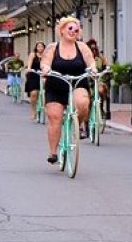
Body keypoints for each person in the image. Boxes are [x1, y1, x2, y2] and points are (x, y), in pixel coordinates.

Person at [40, 17, 96, 164]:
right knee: (54, 117)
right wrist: (46, 69)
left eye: (76, 30)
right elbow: (45, 62)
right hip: (56, 85)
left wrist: (93, 70)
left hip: (78, 83)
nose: (73, 32)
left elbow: (91, 62)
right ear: (62, 30)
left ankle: (77, 124)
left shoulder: (82, 47)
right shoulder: (53, 47)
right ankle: (53, 153)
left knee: (83, 103)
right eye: (70, 29)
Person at [24, 41, 46, 120]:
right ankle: (33, 110)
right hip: (34, 75)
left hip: (43, 74)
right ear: (36, 47)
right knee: (34, 93)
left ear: (44, 47)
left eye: (41, 46)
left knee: (47, 89)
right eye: (38, 46)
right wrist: (29, 69)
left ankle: (45, 106)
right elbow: (29, 64)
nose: (40, 48)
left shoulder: (46, 55)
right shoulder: (33, 54)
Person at [86, 39, 109, 111]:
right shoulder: (85, 58)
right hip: (87, 81)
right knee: (88, 95)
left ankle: (101, 108)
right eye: (91, 49)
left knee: (101, 90)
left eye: (95, 49)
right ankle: (89, 111)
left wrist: (108, 71)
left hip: (98, 80)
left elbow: (105, 67)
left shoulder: (100, 58)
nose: (93, 51)